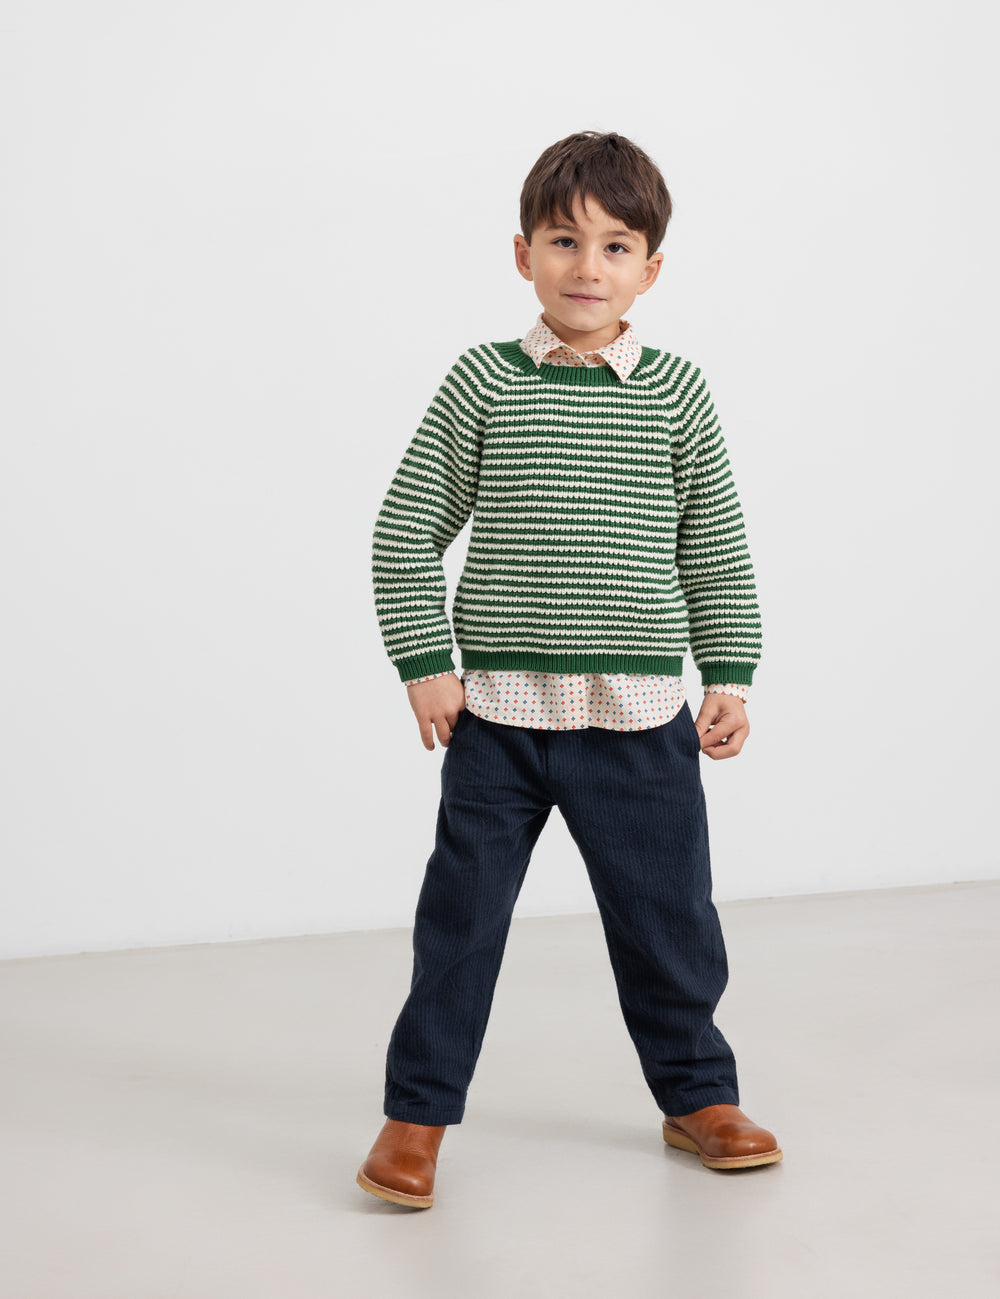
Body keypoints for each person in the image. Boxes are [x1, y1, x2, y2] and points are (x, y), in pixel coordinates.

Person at [357, 131, 781, 1209]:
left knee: (669, 919)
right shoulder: (483, 382)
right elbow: (405, 529)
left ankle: (698, 1093)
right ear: (523, 255)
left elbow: (715, 546)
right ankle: (417, 1114)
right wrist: (424, 662)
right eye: (563, 240)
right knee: (460, 924)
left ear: (650, 268)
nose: (587, 266)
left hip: (639, 722)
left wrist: (729, 674)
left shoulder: (676, 393)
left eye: (615, 245)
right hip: (498, 721)